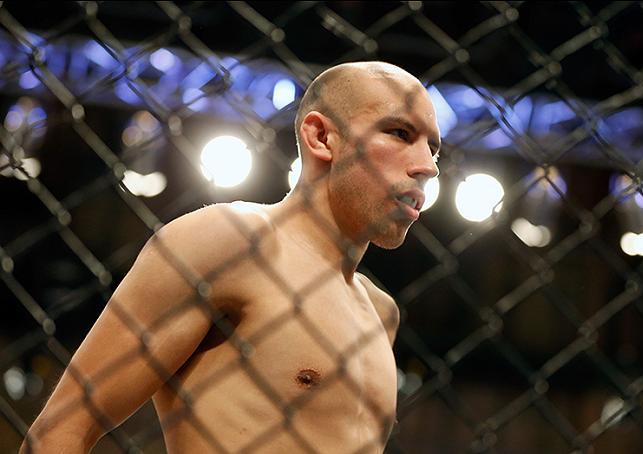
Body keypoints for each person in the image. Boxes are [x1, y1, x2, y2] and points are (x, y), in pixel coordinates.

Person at [21, 60, 440, 453]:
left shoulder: (381, 314)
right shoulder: (228, 242)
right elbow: (62, 429)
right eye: (400, 133)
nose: (427, 166)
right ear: (321, 137)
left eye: (434, 149)